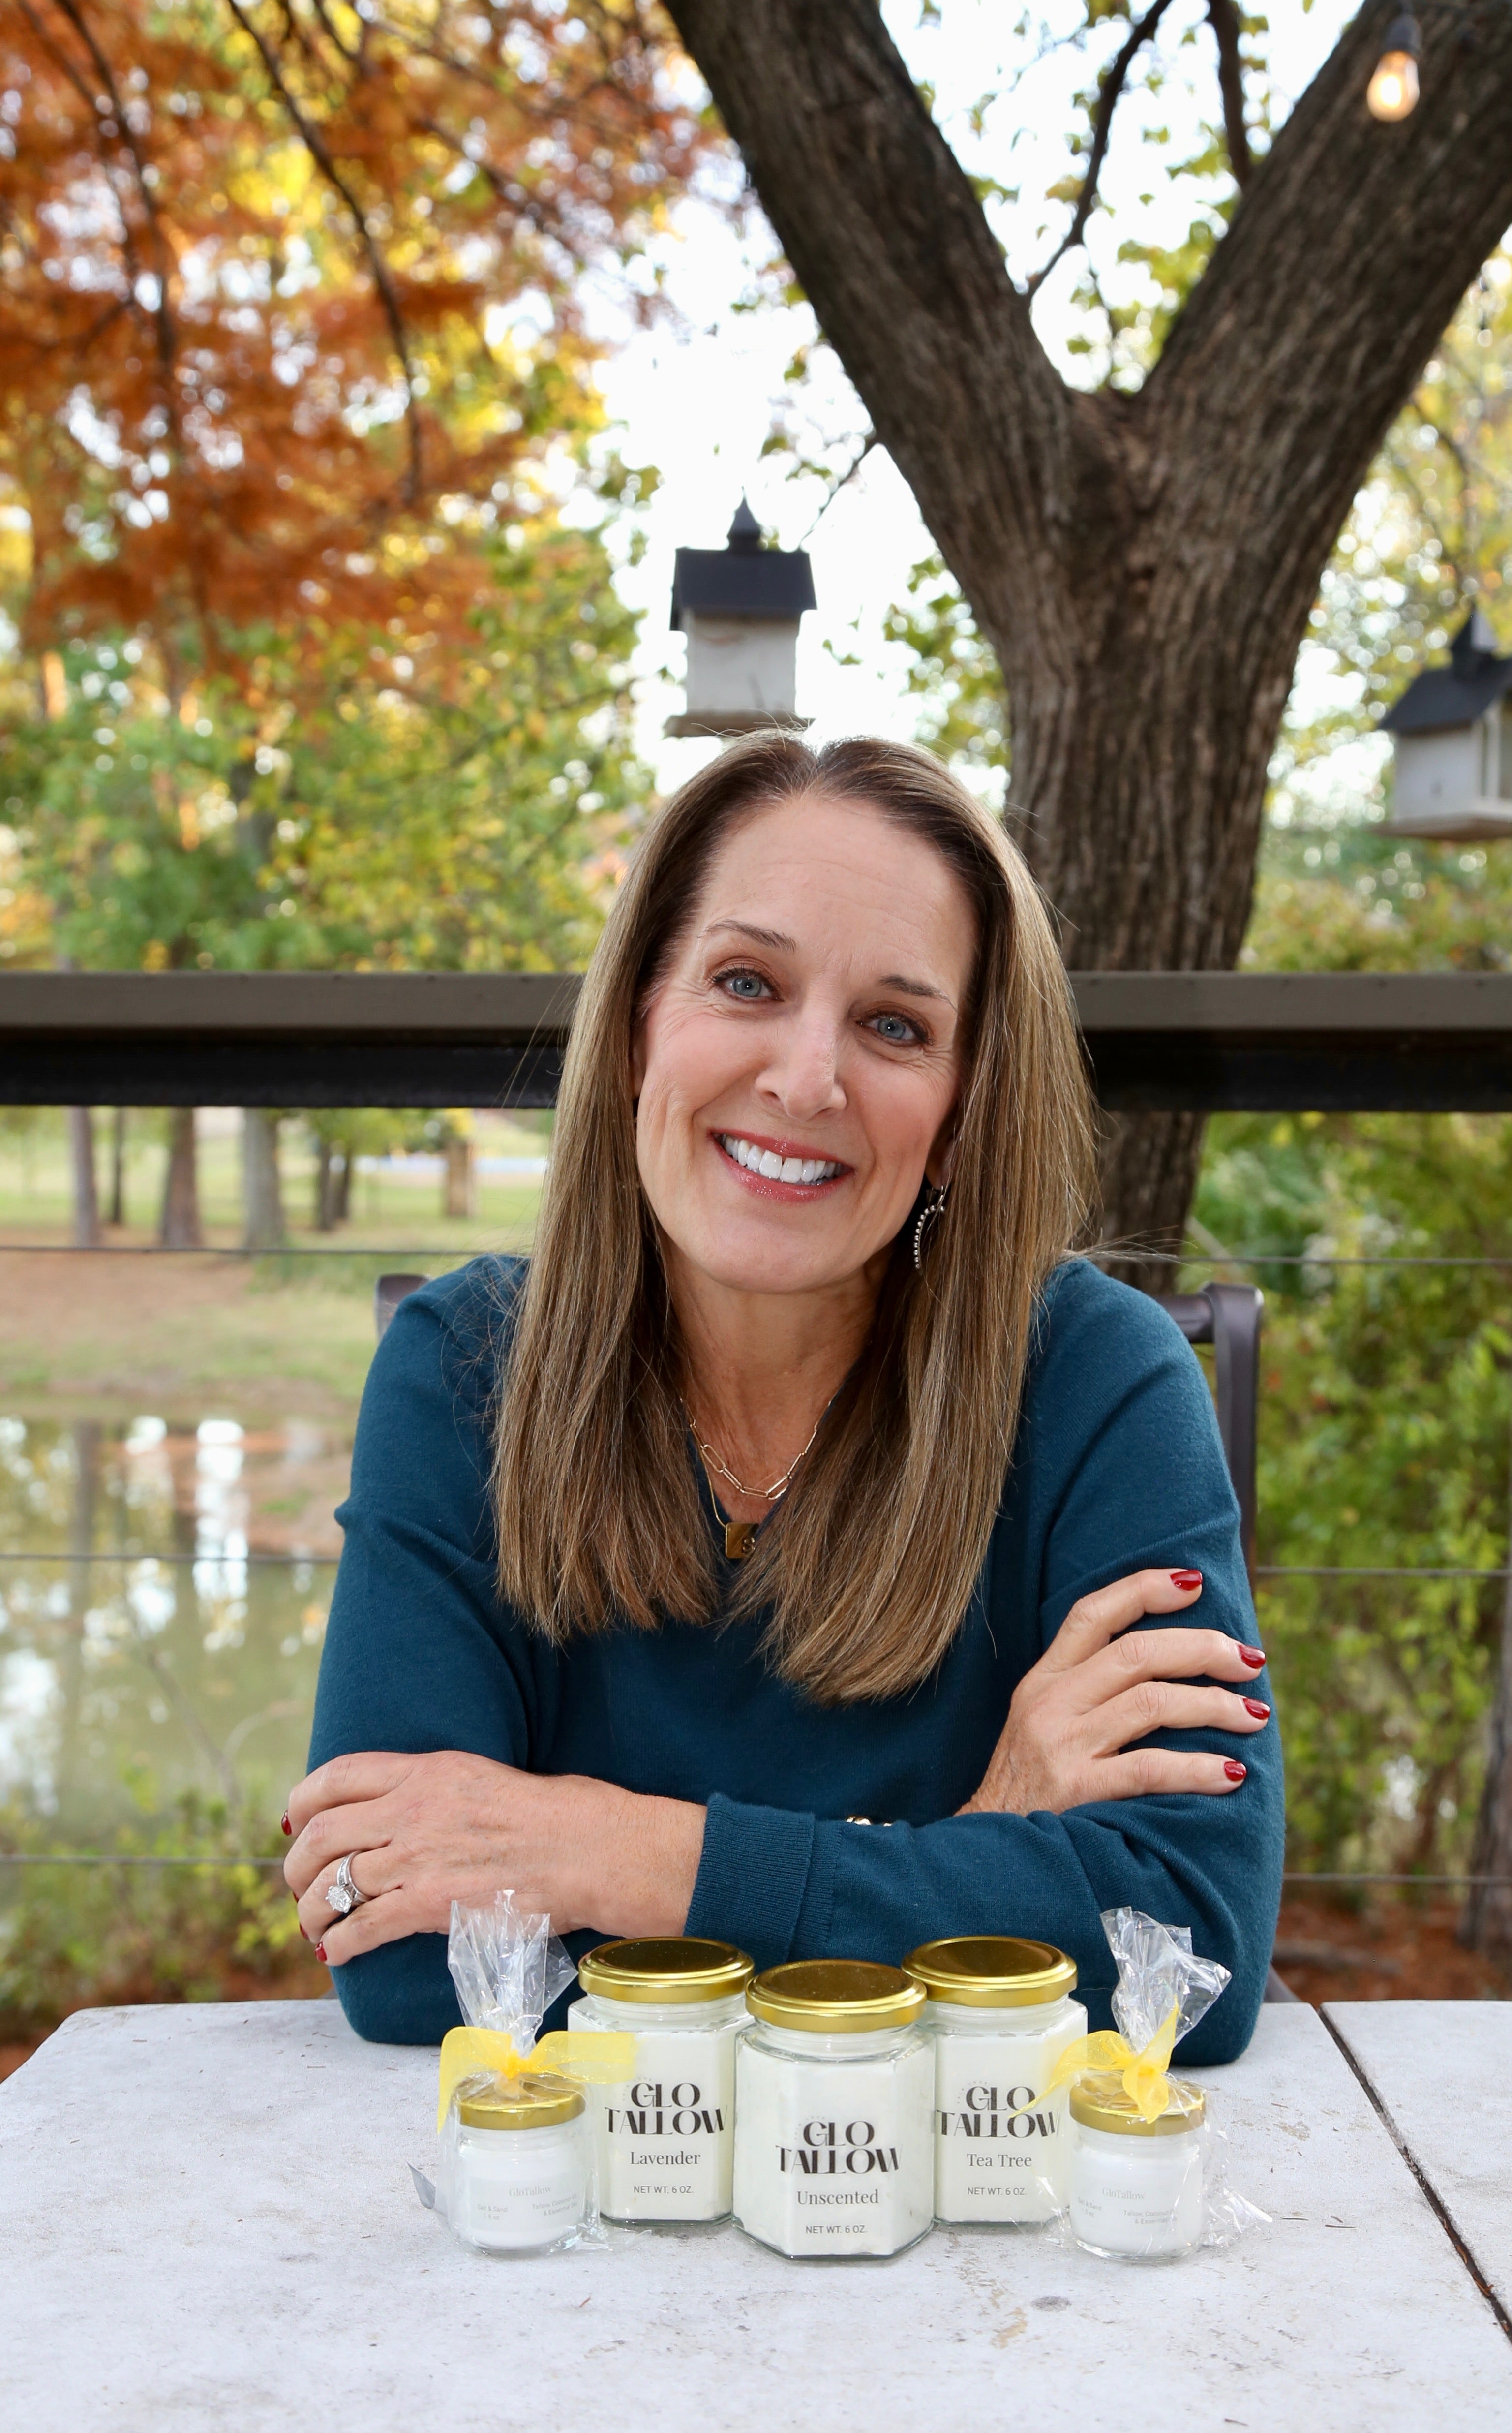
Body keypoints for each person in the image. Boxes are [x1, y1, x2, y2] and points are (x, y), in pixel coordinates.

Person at [282, 735, 1283, 2061]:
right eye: (747, 982)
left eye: (894, 1025)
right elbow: (410, 1963)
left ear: (964, 1101)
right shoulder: (465, 1366)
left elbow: (1190, 1944)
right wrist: (974, 1857)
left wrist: (622, 1851)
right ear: (641, 1018)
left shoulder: (1100, 1380)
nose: (808, 1079)